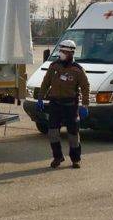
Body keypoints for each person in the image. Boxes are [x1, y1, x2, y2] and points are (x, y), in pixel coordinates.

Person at [36, 39, 90, 168]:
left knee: (73, 134)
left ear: (71, 53)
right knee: (53, 132)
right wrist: (40, 97)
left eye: (64, 51)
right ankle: (57, 157)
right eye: (61, 51)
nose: (61, 53)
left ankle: (75, 159)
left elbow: (85, 87)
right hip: (55, 104)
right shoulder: (54, 66)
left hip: (71, 105)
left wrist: (85, 105)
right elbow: (45, 82)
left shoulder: (78, 70)